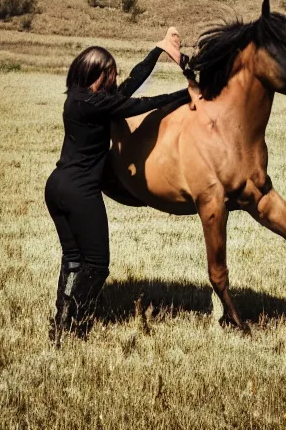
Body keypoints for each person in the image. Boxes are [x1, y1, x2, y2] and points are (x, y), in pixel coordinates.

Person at [45, 28, 190, 346]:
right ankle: (77, 329)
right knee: (96, 264)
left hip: (57, 187)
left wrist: (157, 51)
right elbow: (142, 103)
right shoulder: (96, 105)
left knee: (73, 259)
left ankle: (61, 325)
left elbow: (132, 84)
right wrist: (187, 94)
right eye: (111, 74)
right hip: (79, 190)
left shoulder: (79, 100)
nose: (115, 79)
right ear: (98, 73)